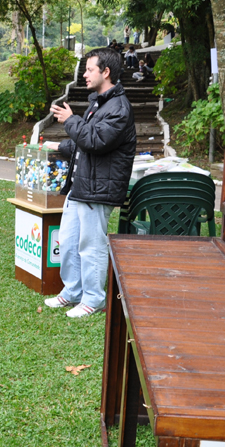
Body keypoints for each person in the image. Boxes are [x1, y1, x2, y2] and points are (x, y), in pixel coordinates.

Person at [44, 47, 136, 318]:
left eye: (89, 69)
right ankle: (72, 291)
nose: (84, 74)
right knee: (70, 242)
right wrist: (57, 144)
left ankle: (94, 298)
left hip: (98, 191)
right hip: (80, 187)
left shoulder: (119, 108)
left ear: (105, 72)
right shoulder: (99, 101)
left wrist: (70, 119)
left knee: (91, 246)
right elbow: (84, 143)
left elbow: (95, 141)